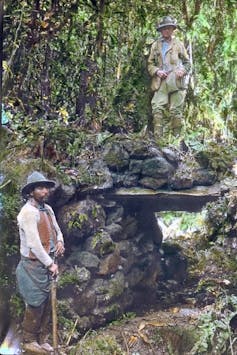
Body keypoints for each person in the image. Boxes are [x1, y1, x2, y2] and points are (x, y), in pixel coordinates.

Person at [16, 171, 65, 353]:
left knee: (46, 303)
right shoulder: (28, 213)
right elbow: (34, 244)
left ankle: (42, 338)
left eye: (46, 188)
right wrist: (50, 264)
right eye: (40, 188)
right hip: (33, 265)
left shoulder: (47, 209)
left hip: (47, 262)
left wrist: (60, 241)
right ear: (31, 191)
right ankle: (29, 339)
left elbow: (57, 229)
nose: (45, 191)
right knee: (35, 302)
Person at [148, 16, 190, 142]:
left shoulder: (178, 44)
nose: (166, 31)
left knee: (176, 111)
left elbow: (187, 63)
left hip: (176, 81)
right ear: (161, 30)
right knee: (157, 107)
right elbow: (150, 64)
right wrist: (157, 71)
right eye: (164, 28)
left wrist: (183, 70)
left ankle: (176, 142)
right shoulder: (156, 45)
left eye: (169, 28)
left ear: (172, 30)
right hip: (161, 81)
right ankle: (158, 141)